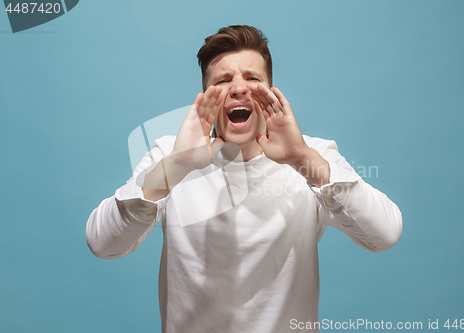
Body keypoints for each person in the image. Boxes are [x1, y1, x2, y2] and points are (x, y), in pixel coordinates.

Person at [86, 25, 402, 333]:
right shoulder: (172, 155)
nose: (238, 87)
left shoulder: (312, 155)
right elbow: (102, 243)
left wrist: (303, 160)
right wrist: (177, 166)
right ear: (206, 97)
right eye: (223, 80)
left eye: (252, 78)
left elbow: (384, 234)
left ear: (271, 91)